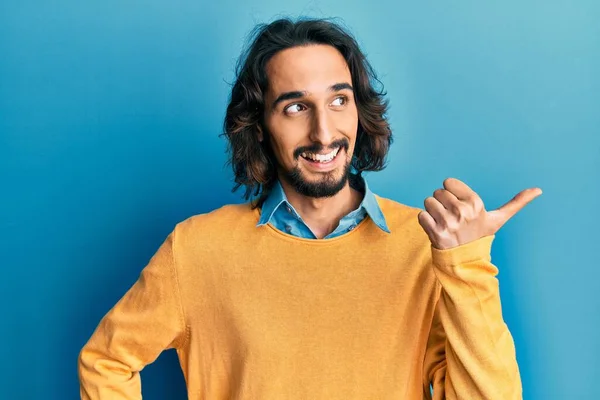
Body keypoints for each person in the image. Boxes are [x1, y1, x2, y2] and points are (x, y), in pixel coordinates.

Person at [78, 17, 541, 399]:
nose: (324, 133)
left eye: (339, 100)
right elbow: (106, 362)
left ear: (360, 110)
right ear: (258, 125)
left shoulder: (428, 246)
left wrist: (466, 264)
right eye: (296, 107)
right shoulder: (197, 249)